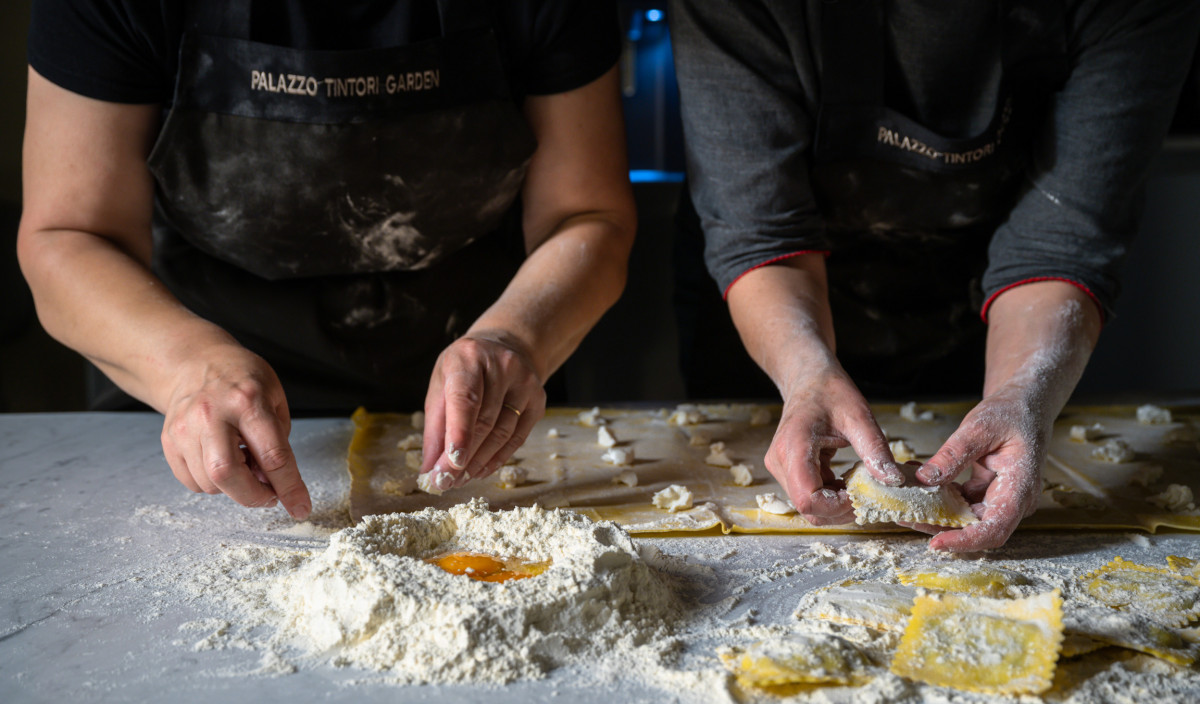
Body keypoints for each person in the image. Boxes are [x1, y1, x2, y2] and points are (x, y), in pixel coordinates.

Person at [18, 0, 636, 521]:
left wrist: (516, 337)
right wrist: (185, 367)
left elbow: (588, 217)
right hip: (193, 399)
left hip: (473, 405)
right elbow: (68, 234)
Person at [669, 0, 1200, 551]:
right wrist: (804, 373)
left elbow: (1059, 242)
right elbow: (764, 231)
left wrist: (1023, 390)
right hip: (776, 312)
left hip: (982, 310)